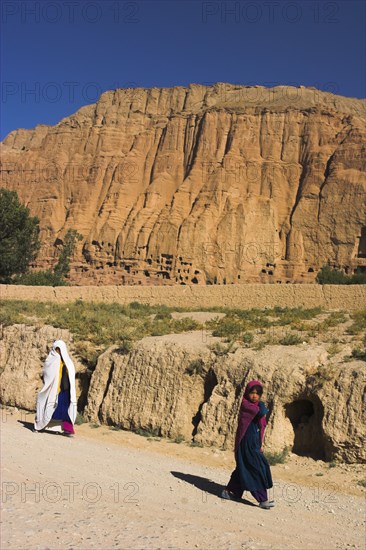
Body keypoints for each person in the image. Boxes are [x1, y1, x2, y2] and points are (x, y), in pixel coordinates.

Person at [221, 379, 274, 509]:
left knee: (243, 468)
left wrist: (260, 444)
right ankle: (262, 499)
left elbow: (261, 426)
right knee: (254, 468)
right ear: (247, 393)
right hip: (245, 443)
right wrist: (262, 405)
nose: (255, 396)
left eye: (257, 393)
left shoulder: (256, 405)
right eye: (252, 393)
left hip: (254, 443)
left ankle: (229, 492)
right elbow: (261, 412)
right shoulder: (246, 405)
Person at [34, 340, 77, 436]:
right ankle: (41, 425)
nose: (58, 351)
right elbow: (47, 372)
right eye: (57, 349)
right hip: (52, 388)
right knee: (48, 407)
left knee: (64, 410)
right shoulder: (51, 359)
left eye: (60, 349)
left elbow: (71, 373)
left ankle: (65, 428)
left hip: (64, 389)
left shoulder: (67, 361)